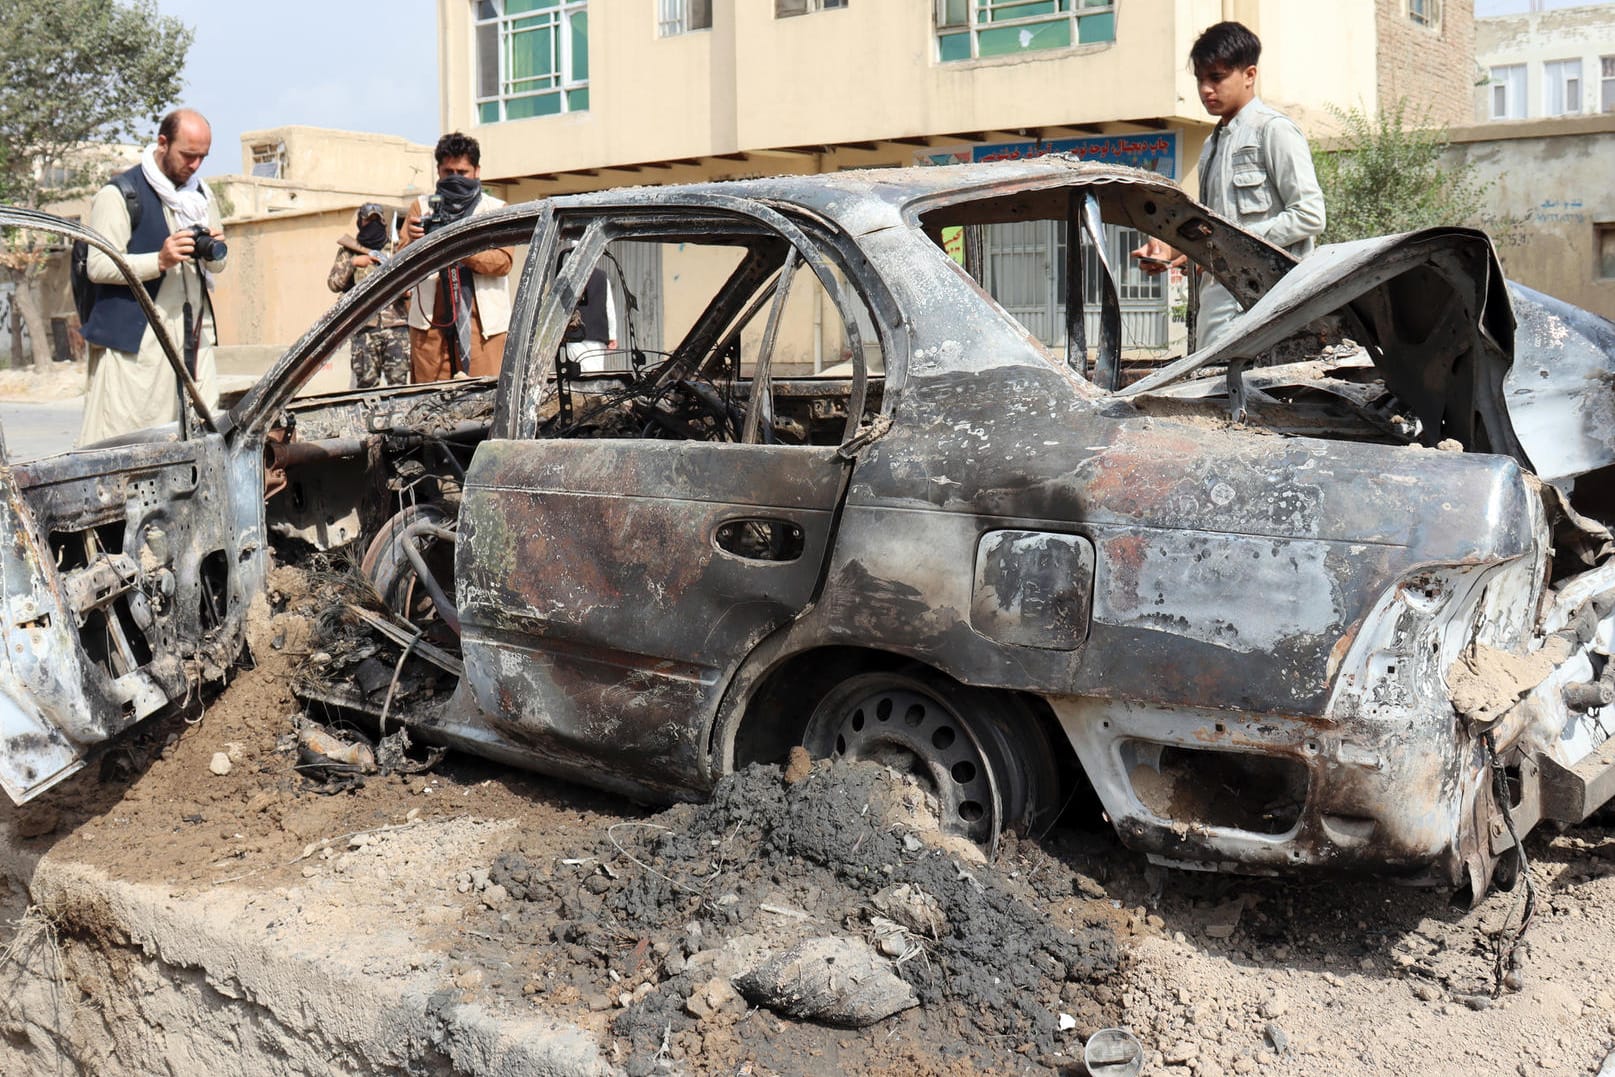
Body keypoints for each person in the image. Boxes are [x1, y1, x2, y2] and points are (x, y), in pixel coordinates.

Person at [1132, 21, 1324, 350]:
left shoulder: (1274, 131)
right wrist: (1171, 250)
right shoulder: (1212, 145)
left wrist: (1234, 242)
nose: (1206, 89)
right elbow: (1211, 229)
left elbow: (1310, 215)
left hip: (1268, 305)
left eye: (1217, 78)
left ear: (1249, 75)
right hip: (1218, 303)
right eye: (1200, 79)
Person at [78, 108, 227, 445]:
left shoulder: (200, 197)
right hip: (139, 349)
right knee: (131, 445)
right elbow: (98, 266)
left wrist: (216, 251)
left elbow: (215, 267)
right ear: (163, 142)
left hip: (193, 341)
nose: (195, 166)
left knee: (201, 442)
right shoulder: (120, 195)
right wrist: (158, 260)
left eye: (202, 157)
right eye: (188, 155)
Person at [399, 132, 513, 381]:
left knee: (484, 404)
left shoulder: (495, 210)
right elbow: (399, 267)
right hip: (431, 327)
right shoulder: (422, 207)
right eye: (449, 173)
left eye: (462, 173)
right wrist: (417, 241)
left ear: (476, 171)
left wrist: (458, 247)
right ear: (438, 171)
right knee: (428, 406)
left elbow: (503, 262)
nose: (455, 179)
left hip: (483, 329)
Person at [328, 203, 409, 388]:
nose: (372, 224)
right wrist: (353, 263)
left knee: (399, 385)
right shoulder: (349, 251)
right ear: (359, 222)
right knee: (365, 386)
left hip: (396, 327)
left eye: (376, 220)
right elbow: (334, 284)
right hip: (364, 327)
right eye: (367, 220)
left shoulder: (395, 250)